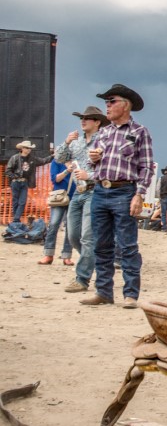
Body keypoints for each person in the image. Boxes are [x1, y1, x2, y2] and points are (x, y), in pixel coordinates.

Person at [81, 84, 154, 310]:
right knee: (101, 245)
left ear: (126, 105)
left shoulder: (139, 132)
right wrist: (93, 160)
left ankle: (130, 294)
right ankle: (103, 292)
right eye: (107, 102)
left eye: (112, 101)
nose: (108, 106)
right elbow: (94, 164)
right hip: (100, 191)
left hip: (124, 191)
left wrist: (139, 195)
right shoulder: (103, 132)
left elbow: (147, 166)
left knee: (127, 245)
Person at [54, 105, 110, 294]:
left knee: (87, 236)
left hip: (94, 191)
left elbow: (109, 169)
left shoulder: (103, 142)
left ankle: (82, 278)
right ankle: (93, 260)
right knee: (72, 235)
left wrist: (90, 175)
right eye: (82, 118)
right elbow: (60, 158)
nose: (82, 121)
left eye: (87, 118)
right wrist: (66, 142)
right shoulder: (76, 142)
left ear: (97, 122)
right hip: (78, 192)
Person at [37, 157, 75, 265]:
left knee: (70, 227)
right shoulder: (57, 161)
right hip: (59, 197)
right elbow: (55, 179)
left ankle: (67, 255)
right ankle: (48, 254)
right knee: (53, 224)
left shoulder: (78, 161)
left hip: (74, 197)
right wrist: (67, 170)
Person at [5, 140, 53, 222]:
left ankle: (16, 219)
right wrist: (14, 177)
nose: (29, 150)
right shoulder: (15, 158)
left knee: (22, 202)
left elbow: (43, 161)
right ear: (22, 148)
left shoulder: (32, 158)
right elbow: (8, 171)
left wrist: (52, 156)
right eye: (27, 148)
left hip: (24, 182)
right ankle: (16, 219)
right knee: (15, 201)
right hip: (16, 182)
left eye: (29, 148)